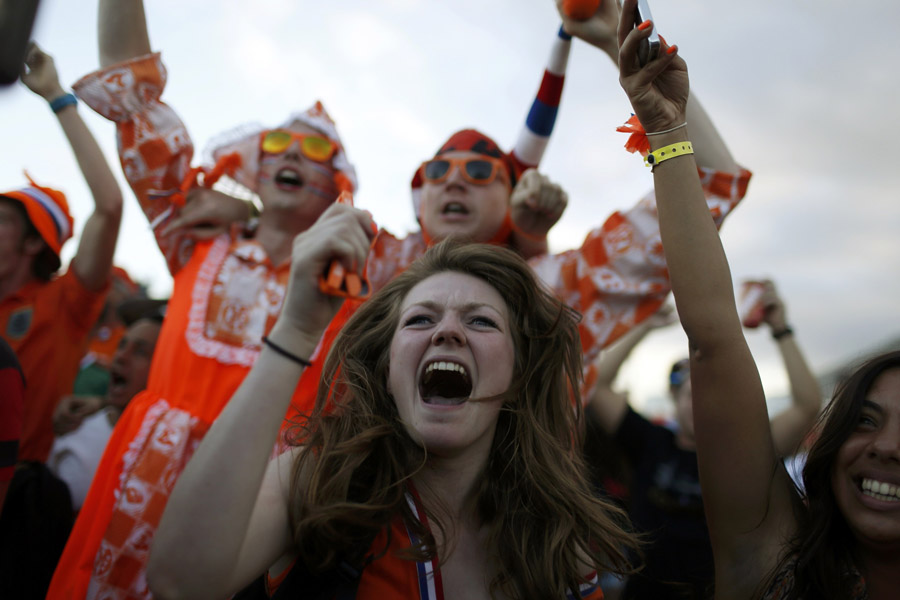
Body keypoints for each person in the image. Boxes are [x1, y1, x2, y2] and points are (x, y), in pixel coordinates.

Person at [48, 2, 574, 597]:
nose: (293, 153)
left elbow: (463, 257)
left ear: (337, 186)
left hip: (272, 497)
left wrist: (531, 235)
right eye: (278, 141)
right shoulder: (193, 229)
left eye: (317, 150)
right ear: (256, 163)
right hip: (145, 476)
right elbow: (135, 98)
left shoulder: (364, 268)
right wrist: (242, 212)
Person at [148, 239, 639, 600]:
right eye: (420, 319)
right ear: (387, 371)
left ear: (517, 375)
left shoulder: (557, 544)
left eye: (481, 321)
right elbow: (179, 584)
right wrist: (296, 330)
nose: (447, 330)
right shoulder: (315, 482)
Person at [612, 1, 898, 598]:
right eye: (865, 422)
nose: (887, 449)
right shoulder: (772, 555)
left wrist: (786, 331)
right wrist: (664, 132)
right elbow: (714, 340)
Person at [587, 284, 821, 599]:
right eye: (689, 394)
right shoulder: (651, 442)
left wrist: (781, 329)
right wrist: (644, 325)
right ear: (674, 399)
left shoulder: (746, 452)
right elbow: (597, 384)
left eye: (710, 395)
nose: (699, 403)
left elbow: (806, 406)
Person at [0, 42, 122, 466]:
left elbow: (109, 206)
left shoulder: (64, 304)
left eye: (2, 220)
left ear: (33, 243)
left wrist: (56, 95)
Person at [48, 301, 165, 511]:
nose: (120, 357)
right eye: (121, 345)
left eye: (140, 352)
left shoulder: (165, 456)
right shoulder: (76, 424)